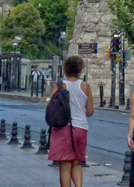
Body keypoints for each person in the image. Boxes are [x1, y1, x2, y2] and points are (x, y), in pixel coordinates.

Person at [48, 55, 94, 187]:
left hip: (62, 128)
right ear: (80, 69)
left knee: (64, 167)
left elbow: (50, 107)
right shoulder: (86, 87)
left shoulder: (60, 86)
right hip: (80, 128)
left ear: (66, 69)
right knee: (77, 163)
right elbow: (90, 111)